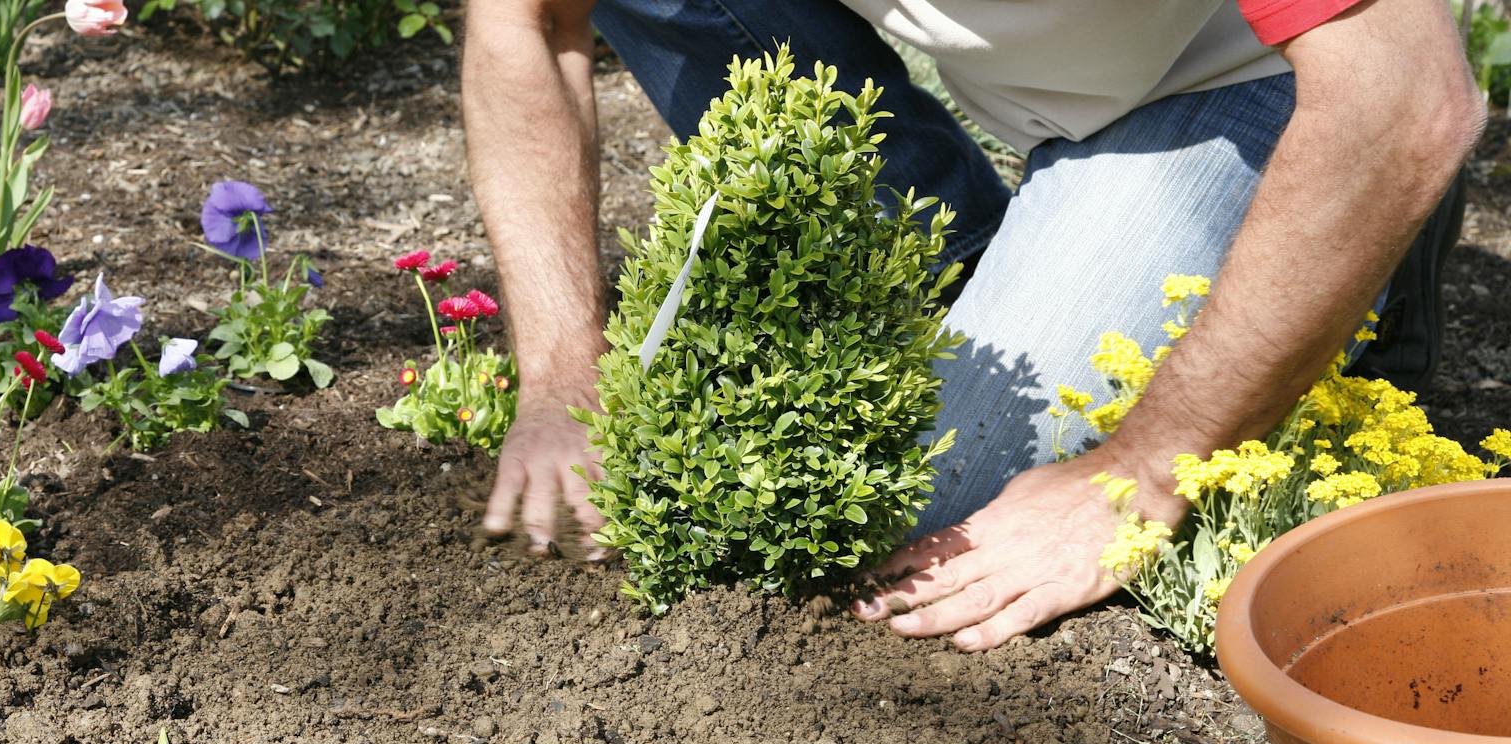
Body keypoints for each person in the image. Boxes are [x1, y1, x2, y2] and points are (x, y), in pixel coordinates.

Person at [462, 0, 1481, 649]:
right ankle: (975, 258)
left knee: (927, 507)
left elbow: (1400, 100)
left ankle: (1382, 256)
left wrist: (1135, 473)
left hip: (1247, 79)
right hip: (1050, 78)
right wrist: (560, 378)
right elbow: (528, 26)